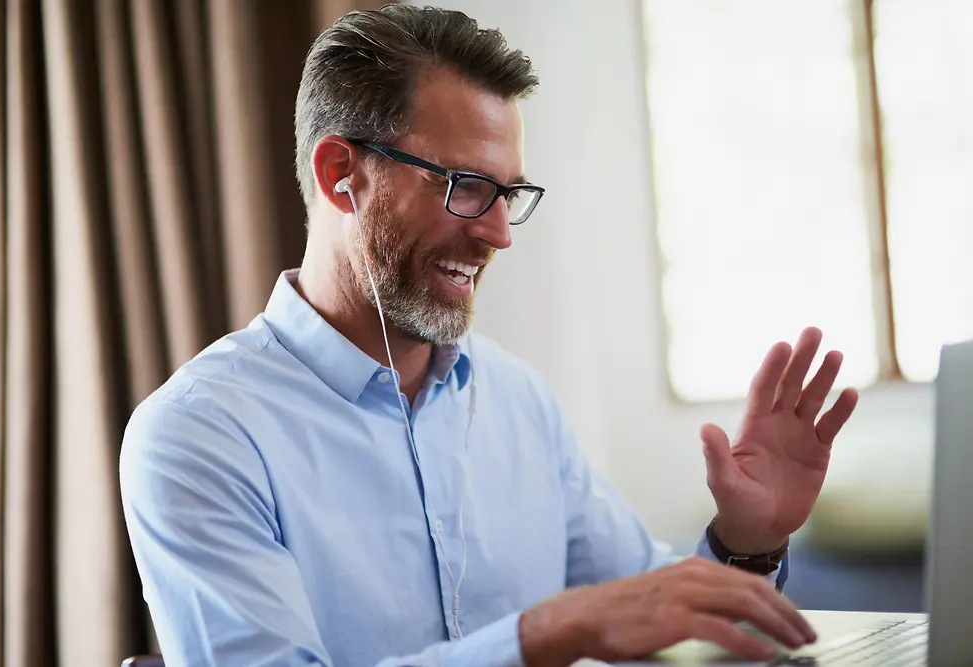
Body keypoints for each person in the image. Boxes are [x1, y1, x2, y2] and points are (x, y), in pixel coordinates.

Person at [119, 5, 859, 667]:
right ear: (342, 172)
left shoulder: (517, 399)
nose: (499, 234)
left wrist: (745, 541)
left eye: (508, 194)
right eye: (466, 186)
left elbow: (654, 623)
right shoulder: (196, 436)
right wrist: (539, 636)